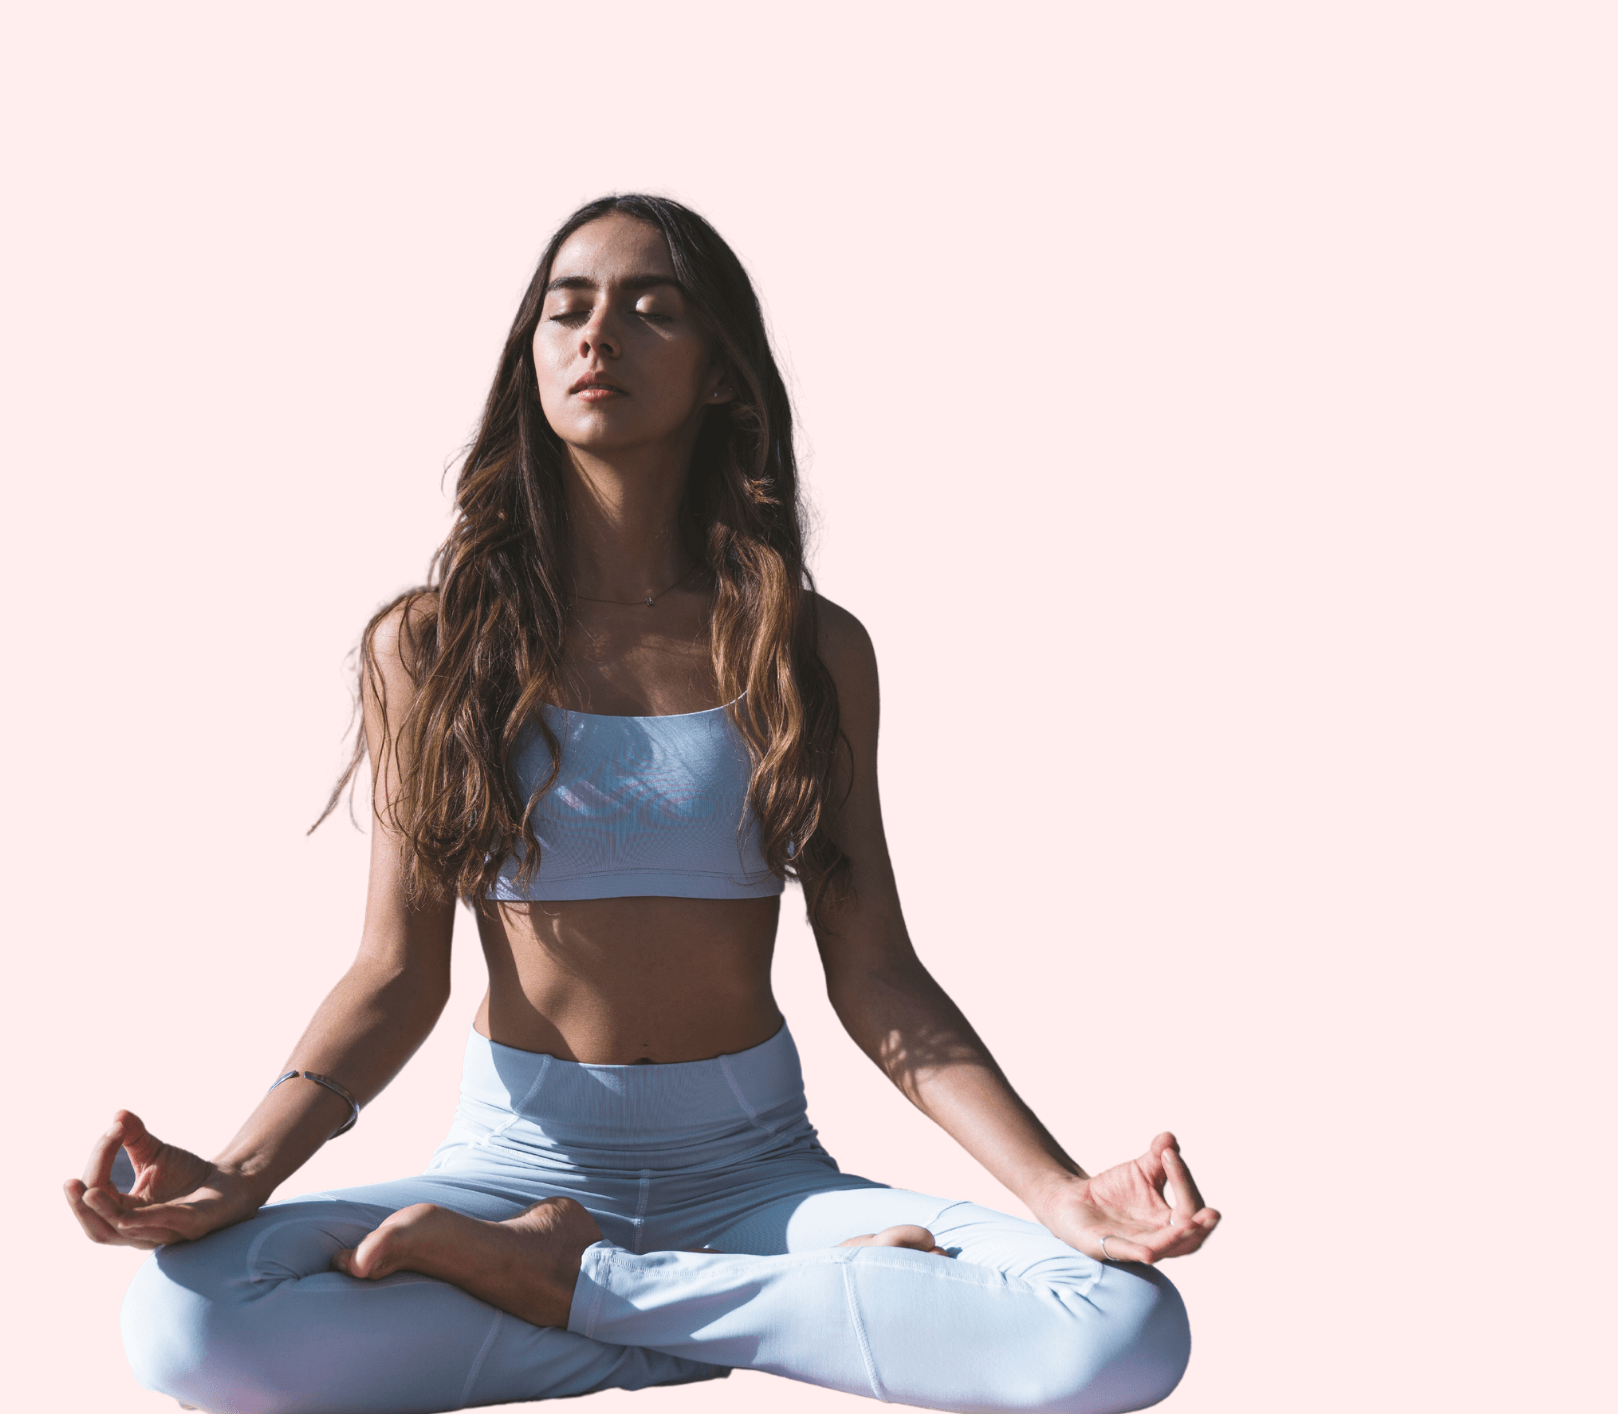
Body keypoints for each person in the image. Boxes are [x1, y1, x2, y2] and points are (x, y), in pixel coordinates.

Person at [62, 194, 1220, 1414]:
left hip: (753, 1169)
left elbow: (874, 973)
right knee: (187, 1328)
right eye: (565, 309)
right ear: (533, 358)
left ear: (721, 373)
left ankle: (573, 1286)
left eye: (648, 309)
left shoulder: (808, 649)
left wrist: (1052, 1191)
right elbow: (395, 973)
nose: (594, 334)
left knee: (1121, 1328)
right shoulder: (431, 645)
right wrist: (242, 1170)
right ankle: (761, 1304)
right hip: (514, 1163)